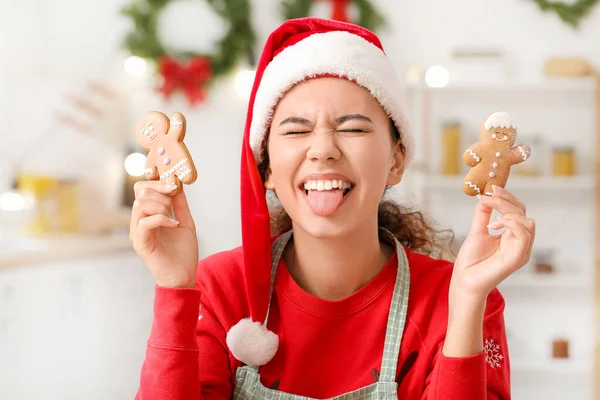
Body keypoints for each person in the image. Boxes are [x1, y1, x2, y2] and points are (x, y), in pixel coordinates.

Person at [130, 17, 535, 399]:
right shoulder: (217, 290)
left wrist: (465, 302)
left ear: (396, 160)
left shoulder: (463, 298)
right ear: (265, 169)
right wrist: (174, 288)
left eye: (353, 128)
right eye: (296, 130)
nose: (323, 149)